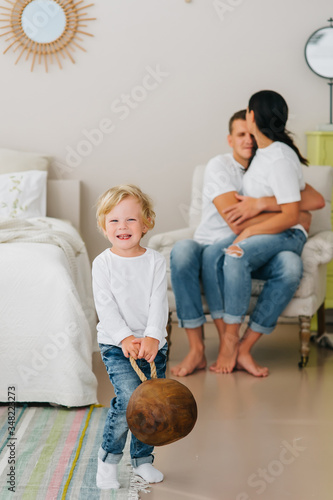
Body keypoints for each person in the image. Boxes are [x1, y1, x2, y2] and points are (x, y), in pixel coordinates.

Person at [170, 107, 324, 378]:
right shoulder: (220, 166)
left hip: (257, 246)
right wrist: (290, 213)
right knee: (182, 251)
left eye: (251, 134)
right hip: (212, 243)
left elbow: (313, 201)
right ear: (230, 140)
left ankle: (241, 347)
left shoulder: (272, 163)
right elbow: (237, 224)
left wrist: (264, 203)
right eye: (240, 134)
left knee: (290, 265)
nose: (247, 140)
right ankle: (198, 349)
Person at [220, 90, 324, 376]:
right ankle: (244, 351)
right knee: (291, 269)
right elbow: (295, 205)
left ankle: (233, 346)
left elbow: (292, 215)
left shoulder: (278, 157)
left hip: (288, 233)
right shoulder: (265, 154)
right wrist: (262, 205)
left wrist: (250, 230)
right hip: (281, 238)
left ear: (252, 116)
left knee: (236, 254)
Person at [92, 184, 168, 490]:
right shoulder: (103, 264)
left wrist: (152, 337)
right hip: (116, 344)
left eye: (131, 220)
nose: (122, 226)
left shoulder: (155, 261)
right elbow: (105, 307)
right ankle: (108, 461)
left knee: (149, 404)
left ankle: (142, 461)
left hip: (151, 345)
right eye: (114, 220)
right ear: (103, 226)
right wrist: (125, 338)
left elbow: (158, 303)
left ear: (146, 223)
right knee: (128, 400)